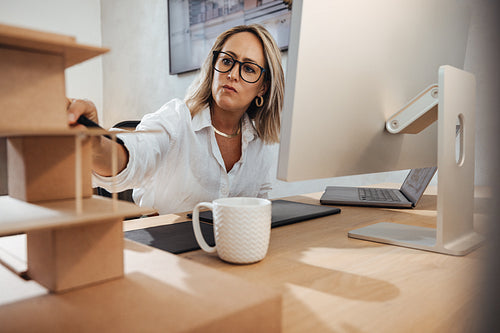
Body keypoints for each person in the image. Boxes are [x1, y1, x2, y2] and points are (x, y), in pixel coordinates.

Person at [67, 24, 285, 214]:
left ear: (263, 87)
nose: (233, 74)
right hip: (167, 249)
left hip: (230, 252)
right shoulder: (176, 119)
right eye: (227, 60)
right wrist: (95, 144)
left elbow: (261, 204)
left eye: (248, 68)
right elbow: (136, 154)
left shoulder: (260, 143)